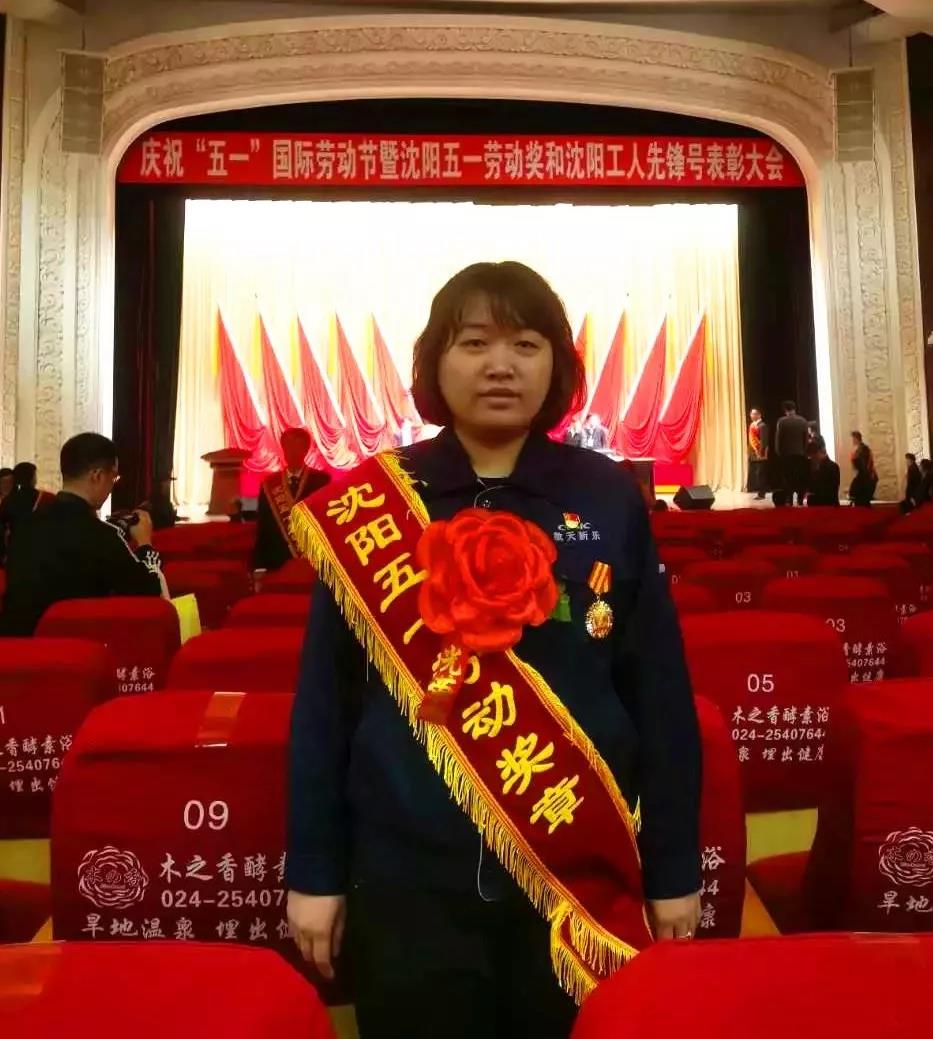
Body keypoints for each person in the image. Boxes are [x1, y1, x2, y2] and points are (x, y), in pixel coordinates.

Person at [286, 262, 702, 1039]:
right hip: (406, 878)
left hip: (574, 874)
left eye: (526, 343)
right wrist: (314, 870)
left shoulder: (608, 495)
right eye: (475, 342)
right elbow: (324, 707)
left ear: (557, 364)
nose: (501, 364)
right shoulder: (375, 503)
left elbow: (660, 695)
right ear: (435, 362)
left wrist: (674, 866)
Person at [0, 433, 165, 637]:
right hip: (75, 650)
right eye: (113, 477)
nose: (112, 487)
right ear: (97, 476)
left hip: (16, 649)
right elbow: (149, 590)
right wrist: (145, 543)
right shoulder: (102, 536)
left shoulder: (25, 527)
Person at [252, 427, 330, 573]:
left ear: (306, 450)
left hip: (311, 561)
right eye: (288, 446)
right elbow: (262, 527)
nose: (292, 452)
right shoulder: (269, 484)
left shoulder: (321, 481)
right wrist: (258, 565)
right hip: (276, 561)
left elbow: (327, 523)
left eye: (297, 447)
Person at [0, 462, 54, 566]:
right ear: (33, 479)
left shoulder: (8, 501)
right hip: (40, 553)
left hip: (16, 553)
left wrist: (1, 557)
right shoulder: (47, 498)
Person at [774, 400, 809, 507]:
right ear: (795, 409)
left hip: (786, 455)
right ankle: (800, 499)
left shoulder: (781, 422)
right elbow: (806, 439)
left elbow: (778, 439)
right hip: (800, 454)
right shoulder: (803, 421)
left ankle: (789, 499)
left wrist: (779, 452)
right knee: (799, 477)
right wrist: (804, 452)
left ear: (785, 410)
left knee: (788, 478)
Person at [805, 441, 841, 507]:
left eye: (812, 457)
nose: (812, 460)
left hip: (825, 507)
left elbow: (830, 491)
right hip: (827, 506)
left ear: (818, 453)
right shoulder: (834, 466)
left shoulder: (830, 467)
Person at [848, 431, 878, 508]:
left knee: (861, 502)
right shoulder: (861, 449)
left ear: (856, 438)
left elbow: (864, 465)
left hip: (864, 479)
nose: (852, 441)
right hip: (864, 477)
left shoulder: (863, 449)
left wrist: (853, 459)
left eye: (853, 439)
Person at [746, 408, 769, 500]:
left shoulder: (762, 425)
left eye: (754, 414)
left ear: (759, 415)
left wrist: (761, 453)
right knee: (755, 474)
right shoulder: (752, 425)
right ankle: (758, 491)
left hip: (760, 454)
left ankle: (761, 493)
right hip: (753, 454)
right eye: (751, 414)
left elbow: (764, 441)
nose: (752, 415)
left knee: (760, 474)